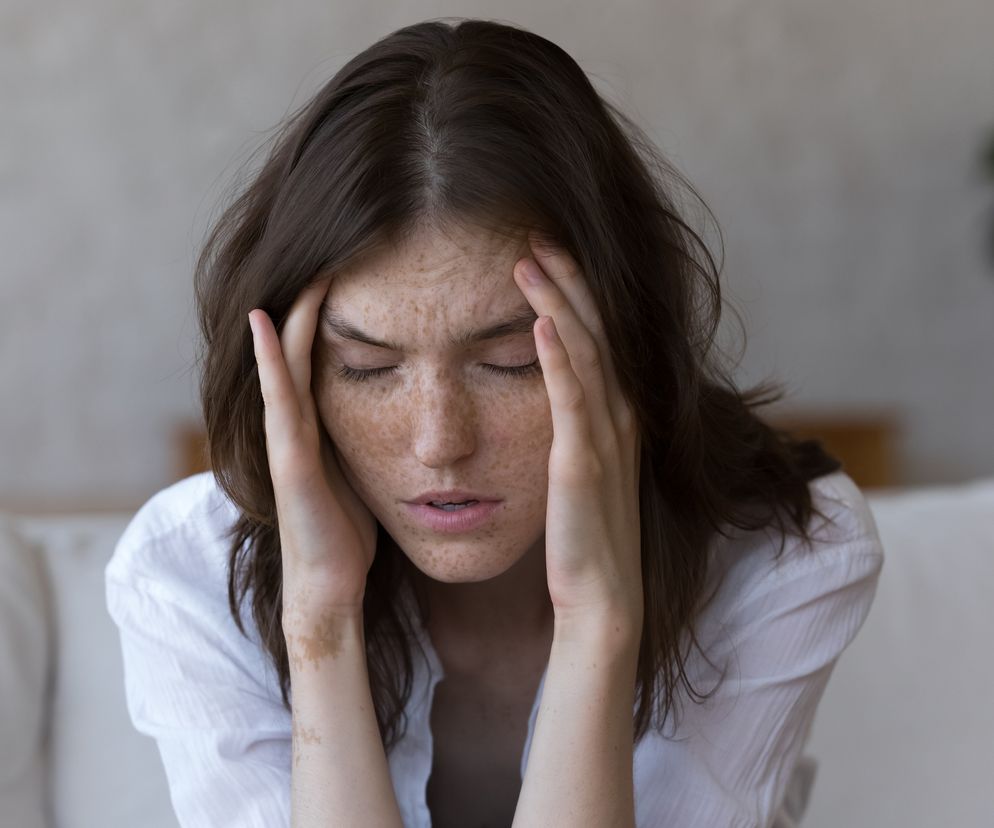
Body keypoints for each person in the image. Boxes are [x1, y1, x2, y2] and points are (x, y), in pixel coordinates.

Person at [105, 17, 885, 828]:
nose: (440, 442)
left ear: (626, 344)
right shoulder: (185, 574)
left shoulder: (783, 555)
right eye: (367, 368)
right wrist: (322, 625)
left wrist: (596, 624)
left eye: (512, 362)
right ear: (292, 378)